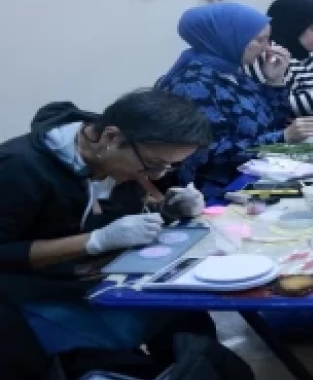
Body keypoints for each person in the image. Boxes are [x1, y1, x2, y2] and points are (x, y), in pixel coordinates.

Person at [0, 90, 211, 355]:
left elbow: (113, 214)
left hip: (90, 276)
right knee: (129, 336)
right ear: (111, 137)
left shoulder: (115, 151)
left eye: (170, 166)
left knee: (187, 311)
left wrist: (169, 212)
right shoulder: (18, 168)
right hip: (29, 296)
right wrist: (95, 241)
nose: (157, 176)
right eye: (152, 164)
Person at [156, 3, 313, 198]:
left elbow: (271, 124)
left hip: (258, 172)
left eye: (268, 40)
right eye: (259, 40)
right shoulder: (192, 85)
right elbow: (211, 152)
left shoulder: (232, 72)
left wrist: (275, 82)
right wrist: (282, 137)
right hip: (217, 190)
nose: (267, 48)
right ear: (227, 38)